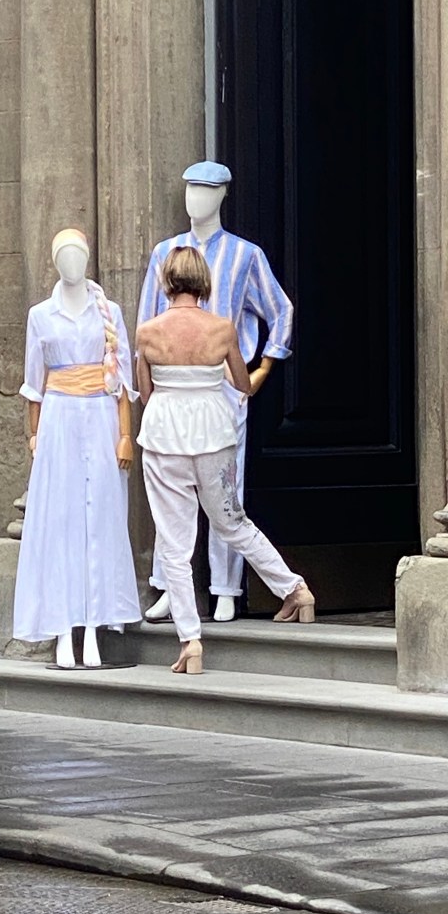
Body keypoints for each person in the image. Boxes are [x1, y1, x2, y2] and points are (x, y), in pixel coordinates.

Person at [136, 245, 314, 675]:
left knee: (174, 543)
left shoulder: (148, 332)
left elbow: (145, 393)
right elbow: (242, 383)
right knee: (233, 522)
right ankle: (295, 589)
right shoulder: (222, 329)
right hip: (213, 433)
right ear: (204, 281)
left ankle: (190, 640)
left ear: (167, 281)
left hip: (164, 436)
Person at [138, 162, 293, 623]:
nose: (195, 198)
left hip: (222, 387)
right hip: (173, 389)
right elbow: (147, 319)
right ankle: (170, 585)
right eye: (190, 189)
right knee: (172, 498)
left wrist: (264, 366)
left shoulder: (245, 255)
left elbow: (279, 309)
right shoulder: (164, 252)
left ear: (223, 194)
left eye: (206, 190)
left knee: (226, 494)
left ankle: (226, 586)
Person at [13, 228, 142, 668]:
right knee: (60, 519)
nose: (72, 263)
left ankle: (94, 627)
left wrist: (124, 435)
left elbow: (121, 380)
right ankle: (63, 629)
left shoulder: (110, 312)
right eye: (64, 256)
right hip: (60, 419)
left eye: (78, 255)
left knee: (101, 517)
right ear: (54, 262)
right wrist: (34, 435)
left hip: (100, 416)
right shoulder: (40, 315)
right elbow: (34, 383)